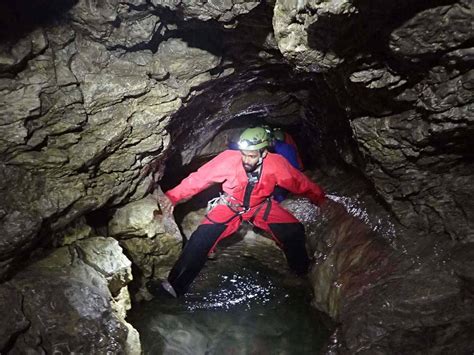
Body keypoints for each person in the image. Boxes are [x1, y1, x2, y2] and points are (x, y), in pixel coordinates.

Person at [150, 127, 326, 298]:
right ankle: (173, 287)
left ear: (263, 153)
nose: (246, 160)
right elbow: (199, 179)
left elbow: (299, 182)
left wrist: (319, 197)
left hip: (261, 206)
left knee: (294, 230)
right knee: (200, 240)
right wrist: (173, 196)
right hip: (231, 206)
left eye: (251, 156)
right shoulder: (228, 160)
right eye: (244, 154)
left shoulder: (276, 164)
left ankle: (299, 274)